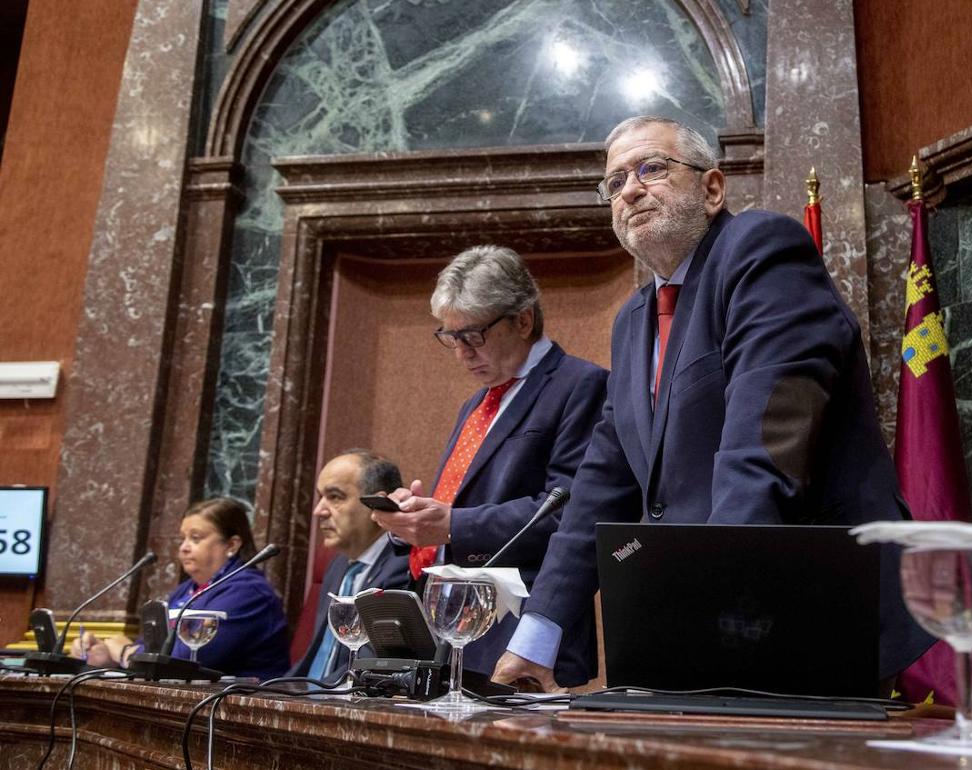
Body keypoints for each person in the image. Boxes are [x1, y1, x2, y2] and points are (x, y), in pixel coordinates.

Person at [492, 116, 934, 691]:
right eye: (616, 181)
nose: (629, 189)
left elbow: (766, 444)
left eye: (651, 168)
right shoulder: (633, 320)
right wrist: (538, 633)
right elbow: (599, 484)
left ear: (712, 188)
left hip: (807, 617)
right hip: (702, 625)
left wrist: (706, 616)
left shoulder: (762, 252)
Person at [371, 245, 608, 687]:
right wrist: (414, 519)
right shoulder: (477, 403)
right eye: (449, 337)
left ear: (523, 320)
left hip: (519, 635)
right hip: (449, 631)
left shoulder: (580, 385)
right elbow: (462, 502)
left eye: (472, 335)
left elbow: (569, 511)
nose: (461, 352)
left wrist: (455, 525)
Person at [75, 498, 289, 679]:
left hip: (244, 712)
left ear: (232, 545)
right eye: (183, 538)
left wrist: (123, 651)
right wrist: (106, 657)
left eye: (195, 538)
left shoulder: (249, 593)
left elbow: (181, 662)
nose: (184, 547)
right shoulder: (185, 591)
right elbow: (151, 646)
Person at [289, 450, 413, 679]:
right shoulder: (338, 566)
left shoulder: (403, 565)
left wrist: (313, 700)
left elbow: (372, 664)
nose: (319, 511)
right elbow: (316, 657)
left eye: (335, 497)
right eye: (320, 497)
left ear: (377, 505)